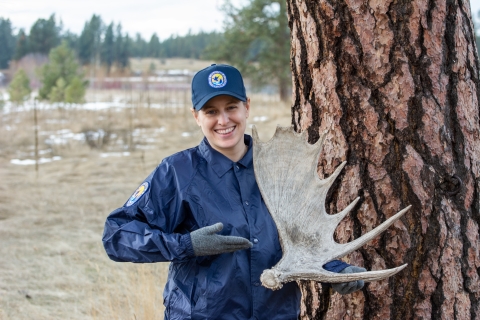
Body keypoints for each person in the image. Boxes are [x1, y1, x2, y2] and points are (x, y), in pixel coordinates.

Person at [102, 64, 365, 319]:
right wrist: (185, 245)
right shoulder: (178, 172)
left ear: (247, 107)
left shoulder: (278, 169)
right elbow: (117, 235)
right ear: (196, 116)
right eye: (211, 112)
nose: (223, 120)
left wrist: (334, 271)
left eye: (231, 108)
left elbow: (300, 239)